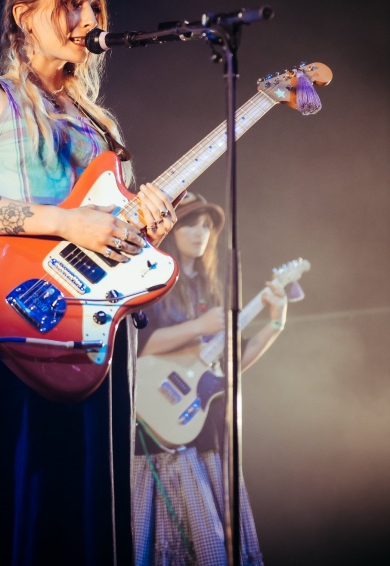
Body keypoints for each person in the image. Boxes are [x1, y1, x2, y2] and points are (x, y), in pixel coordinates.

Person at [0, 0, 177, 566]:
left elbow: (109, 240)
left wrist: (147, 236)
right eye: (71, 4)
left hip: (94, 328)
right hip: (21, 311)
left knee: (88, 508)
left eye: (94, 6)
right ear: (24, 17)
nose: (87, 17)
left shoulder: (103, 127)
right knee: (23, 493)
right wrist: (67, 221)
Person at [133, 192, 288, 566]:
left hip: (203, 429)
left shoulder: (211, 289)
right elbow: (141, 344)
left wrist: (276, 323)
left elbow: (230, 367)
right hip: (158, 426)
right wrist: (199, 326)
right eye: (192, 223)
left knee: (215, 545)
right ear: (172, 229)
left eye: (207, 226)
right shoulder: (150, 280)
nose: (201, 233)